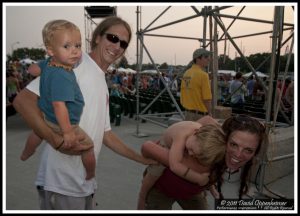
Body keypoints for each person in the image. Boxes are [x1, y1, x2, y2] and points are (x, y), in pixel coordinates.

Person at [13, 16, 155, 210]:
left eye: (123, 43)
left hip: (83, 185)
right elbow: (23, 101)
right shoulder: (75, 64)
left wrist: (141, 158)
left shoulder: (101, 81)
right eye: (112, 38)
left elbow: (106, 135)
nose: (117, 46)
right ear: (97, 37)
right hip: (62, 184)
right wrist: (55, 139)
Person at [19, 20, 97, 181]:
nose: (74, 51)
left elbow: (34, 69)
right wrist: (67, 131)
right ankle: (90, 173)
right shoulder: (63, 76)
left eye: (78, 45)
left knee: (38, 132)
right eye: (67, 46)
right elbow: (59, 104)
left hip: (45, 115)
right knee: (89, 148)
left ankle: (27, 152)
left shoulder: (48, 62)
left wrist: (34, 70)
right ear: (50, 50)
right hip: (63, 122)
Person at [140, 115, 267, 210]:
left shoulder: (212, 148)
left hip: (192, 193)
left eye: (249, 150)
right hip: (162, 190)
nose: (238, 154)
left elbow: (207, 119)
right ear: (224, 138)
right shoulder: (198, 154)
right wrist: (186, 139)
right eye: (233, 144)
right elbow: (147, 147)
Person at [137, 121, 226, 209]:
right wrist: (198, 178)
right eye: (191, 149)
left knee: (204, 164)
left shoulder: (201, 139)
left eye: (195, 154)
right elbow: (174, 166)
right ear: (195, 133)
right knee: (156, 171)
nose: (191, 154)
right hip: (166, 145)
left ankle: (212, 188)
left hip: (187, 144)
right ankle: (142, 196)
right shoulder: (182, 135)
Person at [180, 48, 213, 121]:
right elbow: (207, 98)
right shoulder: (203, 75)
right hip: (199, 115)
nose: (209, 59)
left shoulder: (186, 73)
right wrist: (209, 113)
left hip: (188, 114)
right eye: (206, 57)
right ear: (198, 59)